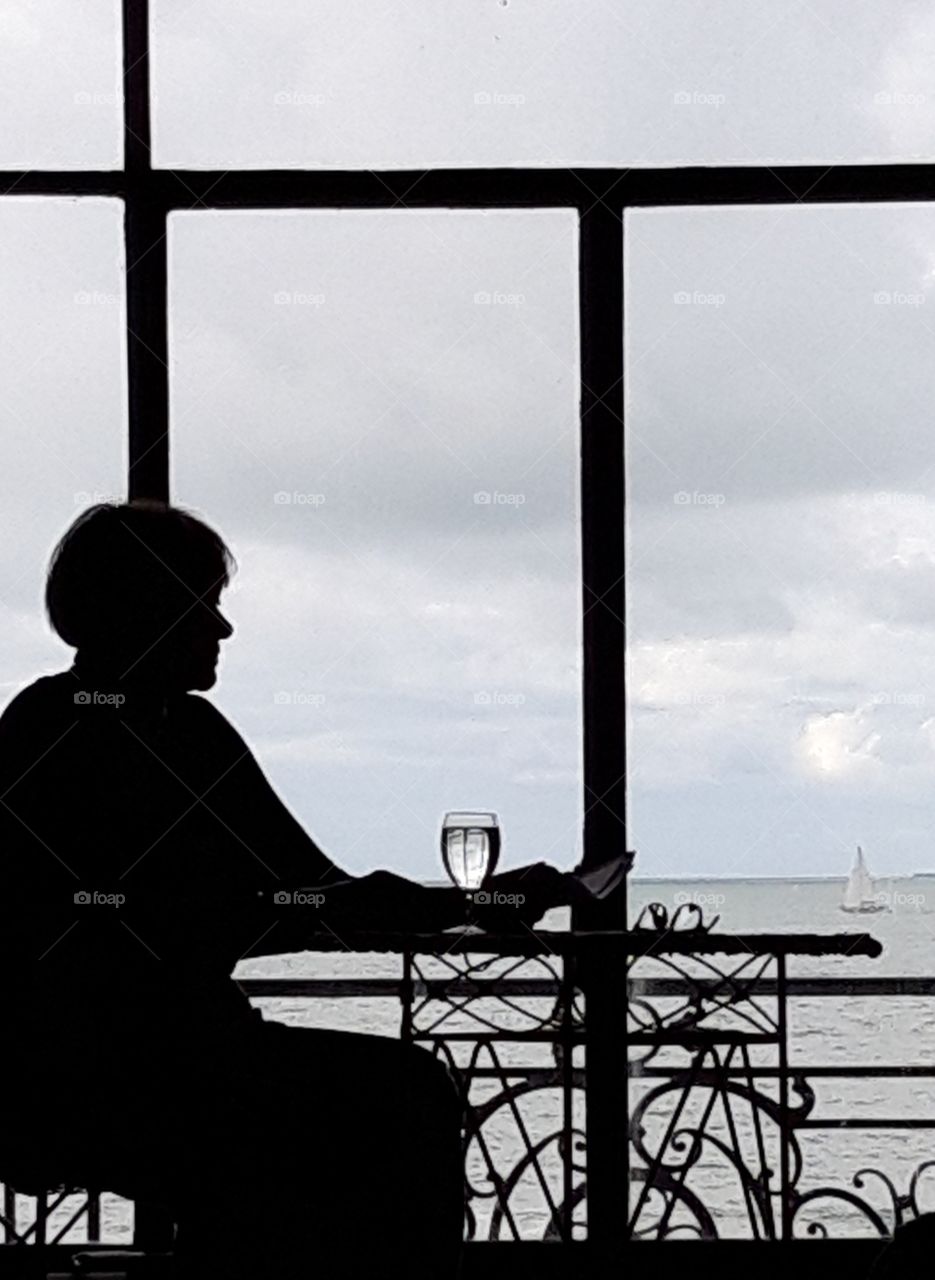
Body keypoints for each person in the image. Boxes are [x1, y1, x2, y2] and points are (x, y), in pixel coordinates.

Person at [0, 500, 580, 1279]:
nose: (222, 630)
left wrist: (453, 906)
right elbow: (305, 900)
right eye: (203, 605)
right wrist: (472, 905)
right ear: (146, 609)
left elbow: (296, 901)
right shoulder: (170, 736)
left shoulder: (56, 725)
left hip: (99, 1067)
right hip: (133, 1070)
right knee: (402, 1100)